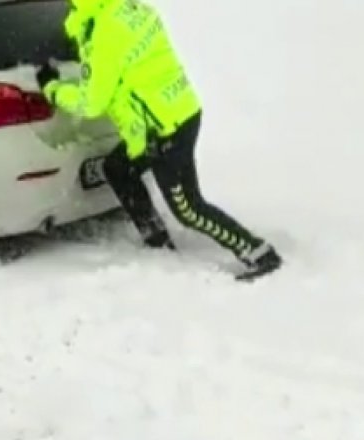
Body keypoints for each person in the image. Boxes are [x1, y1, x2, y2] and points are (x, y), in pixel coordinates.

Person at [36, 0, 282, 281]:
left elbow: (92, 102)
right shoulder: (130, 8)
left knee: (188, 209)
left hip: (165, 130)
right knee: (118, 168)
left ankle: (258, 252)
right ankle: (155, 238)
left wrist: (53, 89)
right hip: (174, 112)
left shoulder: (105, 31)